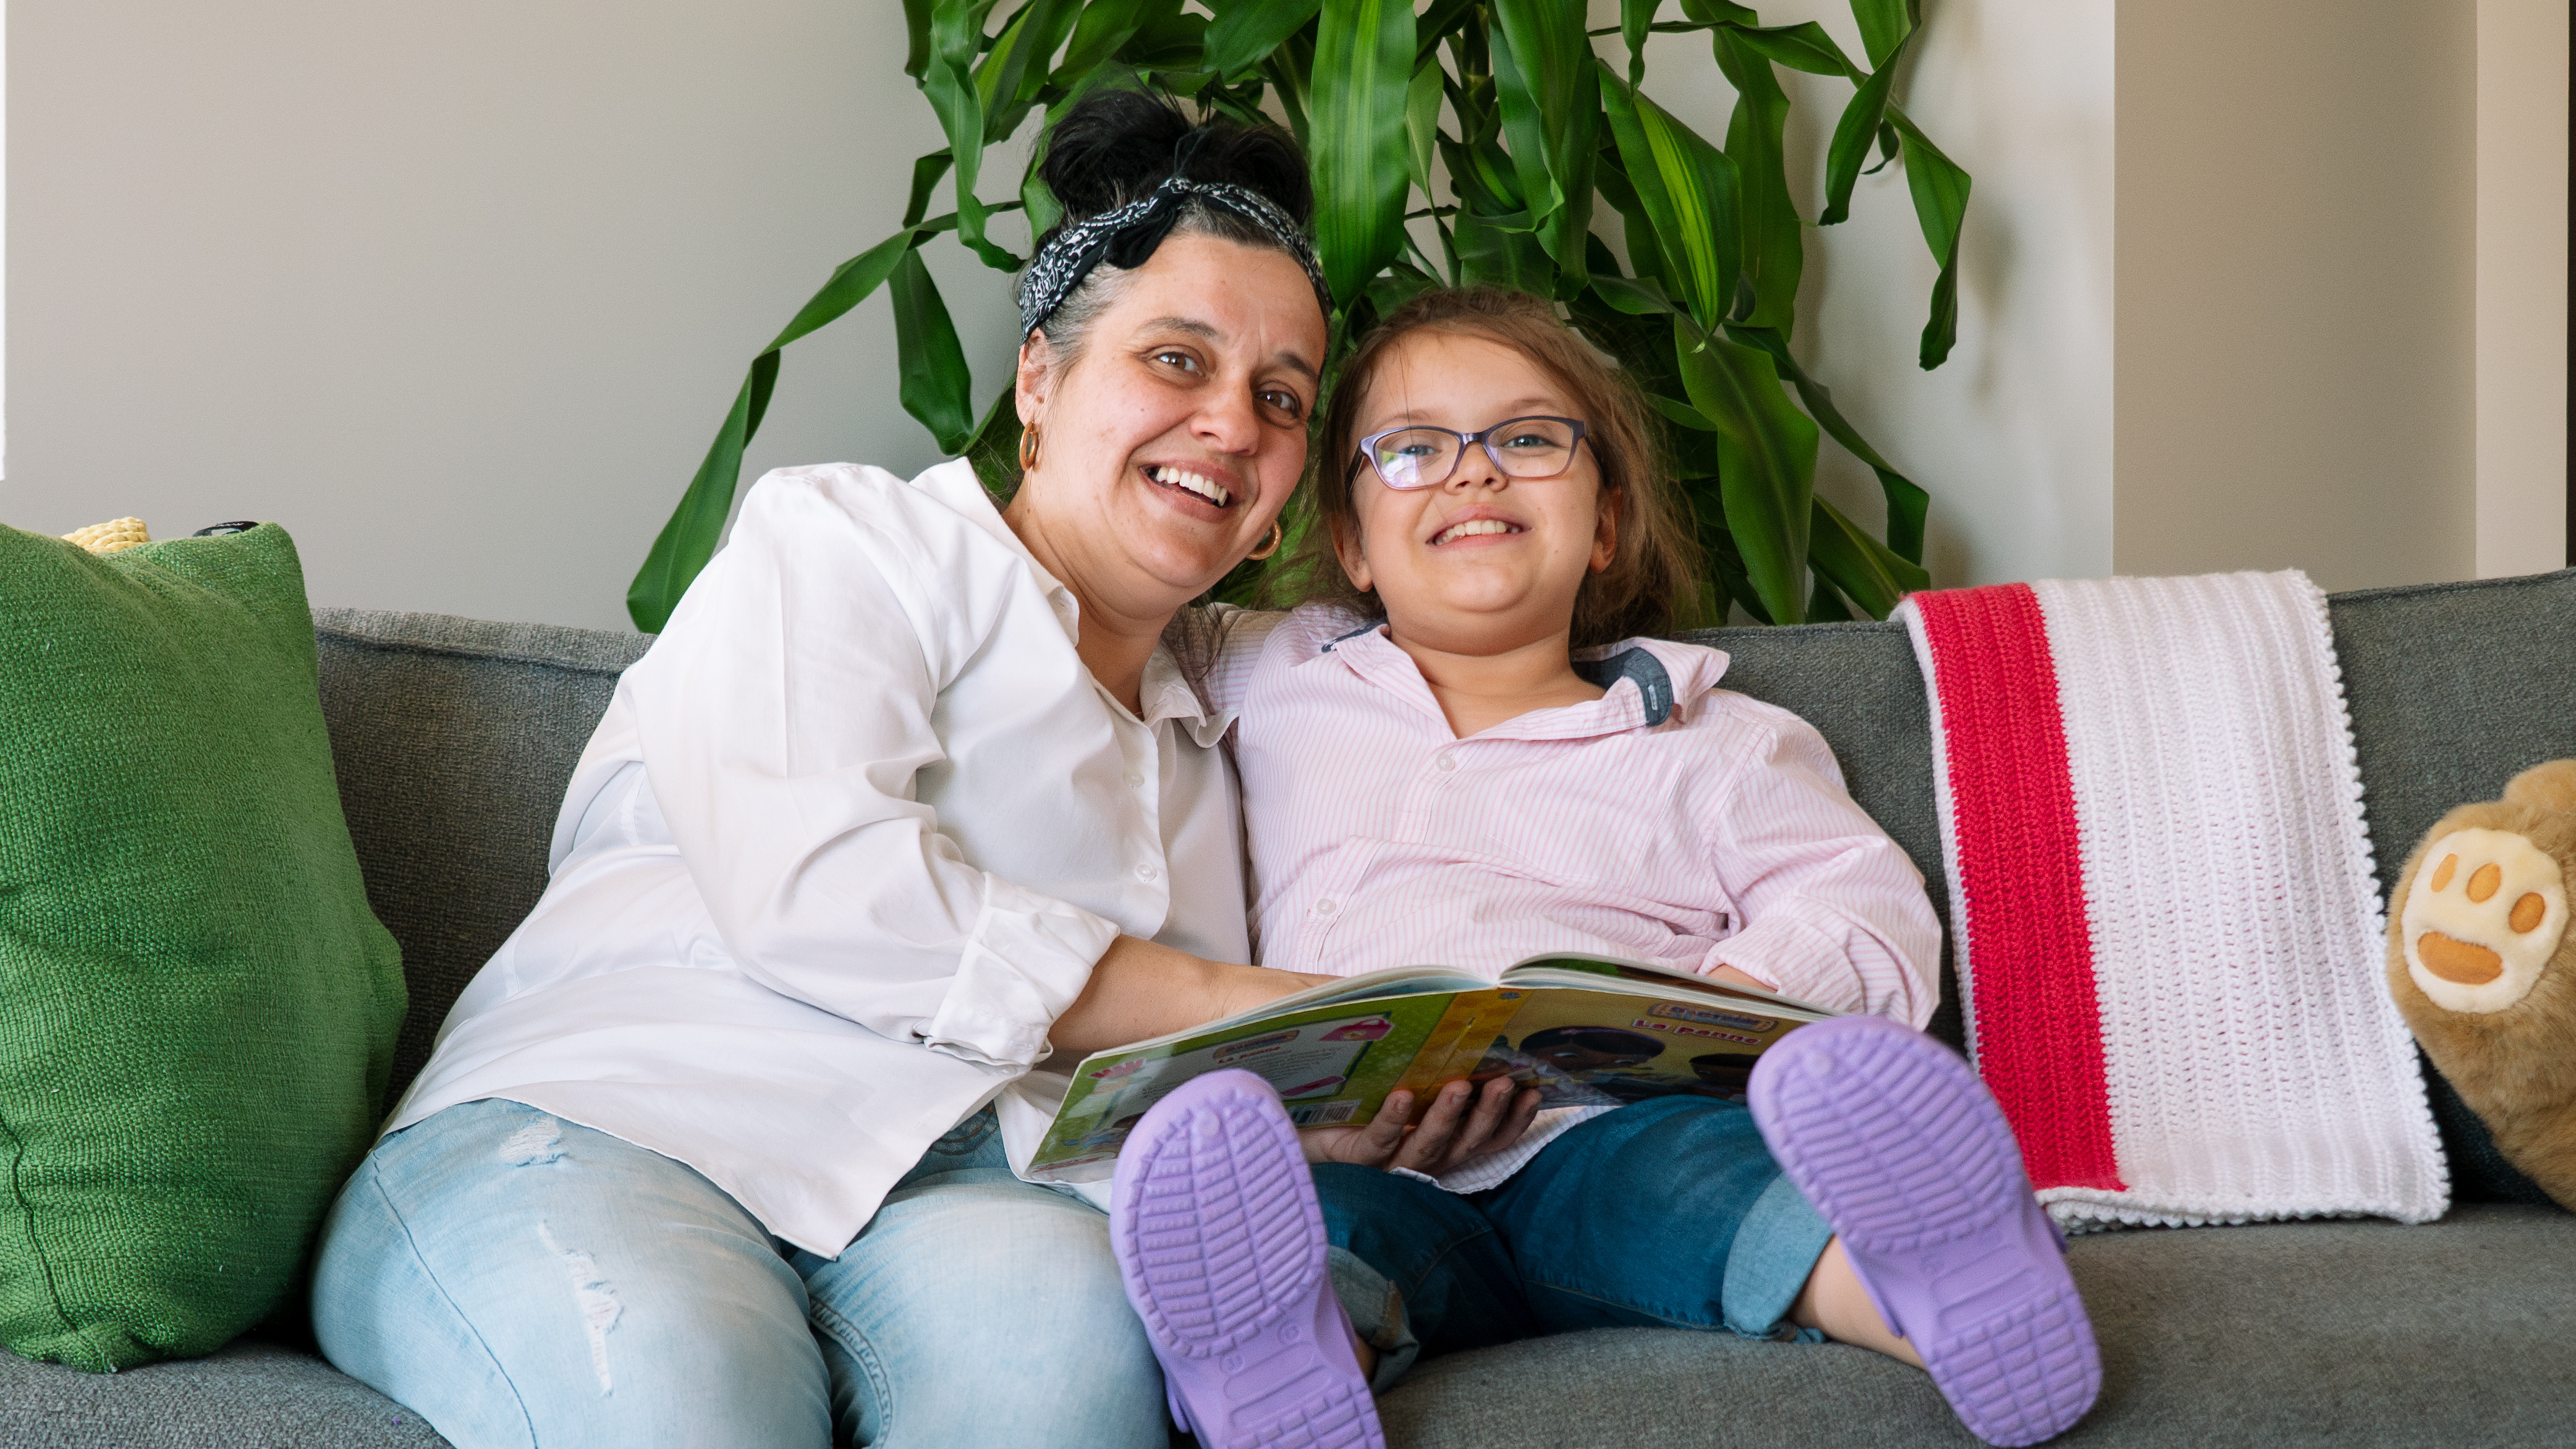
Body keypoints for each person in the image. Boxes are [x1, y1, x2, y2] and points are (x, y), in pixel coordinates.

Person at [308, 92, 1535, 1449]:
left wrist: (1330, 1107)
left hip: (978, 1196)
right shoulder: (849, 543)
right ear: (1041, 382)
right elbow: (820, 885)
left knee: (1069, 1365)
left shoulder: (1257, 714)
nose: (1232, 426)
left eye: (1281, 397)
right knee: (686, 1392)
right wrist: (1268, 1009)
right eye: (1176, 361)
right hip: (616, 1116)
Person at [1104, 289, 2103, 1449]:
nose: (1474, 474)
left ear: (1608, 525)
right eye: (1416, 447)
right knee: (1314, 1231)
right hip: (1373, 1154)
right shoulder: (1267, 671)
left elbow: (1862, 904)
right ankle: (1280, 1366)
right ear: (1350, 544)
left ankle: (1935, 1293)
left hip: (1608, 1125)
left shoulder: (1712, 738)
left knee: (1691, 1185)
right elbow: (1096, 612)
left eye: (1527, 439)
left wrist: (1740, 1003)